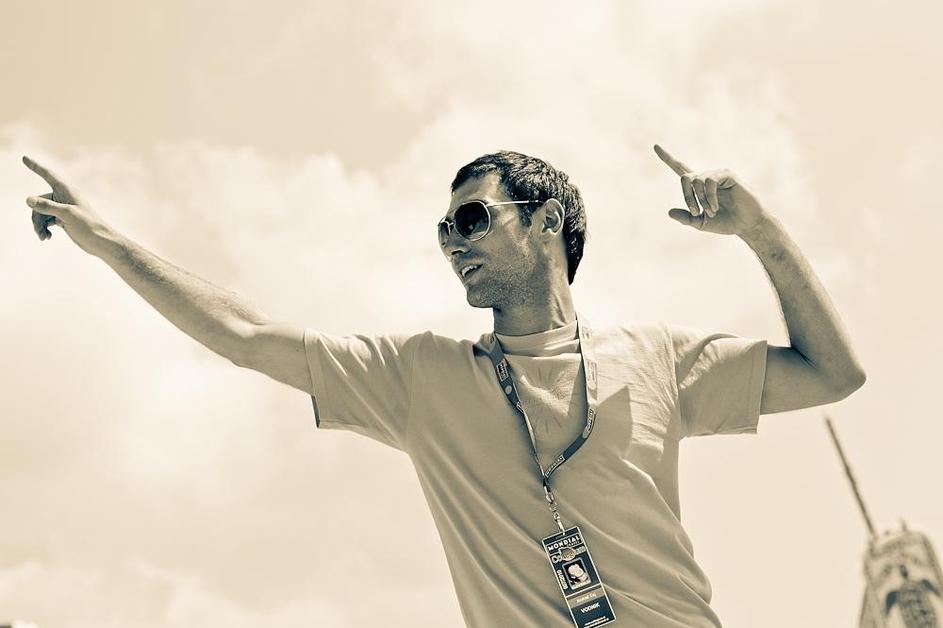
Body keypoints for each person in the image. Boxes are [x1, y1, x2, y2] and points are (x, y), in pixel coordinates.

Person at [22, 146, 866, 627]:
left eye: (473, 219)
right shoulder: (419, 377)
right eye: (443, 229)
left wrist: (758, 231)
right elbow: (246, 335)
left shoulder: (655, 357)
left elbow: (833, 372)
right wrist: (107, 243)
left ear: (545, 223)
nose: (453, 243)